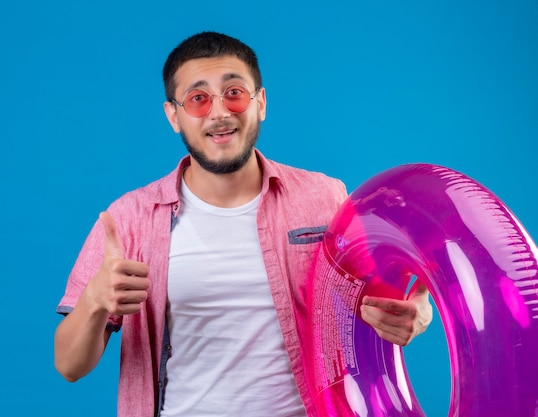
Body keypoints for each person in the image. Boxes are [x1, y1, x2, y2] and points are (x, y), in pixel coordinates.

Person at [54, 31, 433, 417]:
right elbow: (69, 365)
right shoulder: (130, 218)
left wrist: (417, 309)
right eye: (198, 99)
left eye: (234, 93)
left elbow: (381, 296)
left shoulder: (326, 197)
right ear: (174, 116)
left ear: (261, 103)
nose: (220, 113)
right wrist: (95, 301)